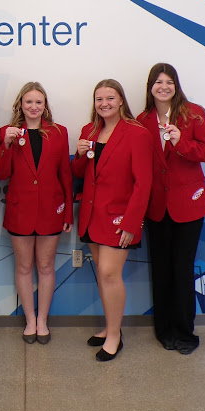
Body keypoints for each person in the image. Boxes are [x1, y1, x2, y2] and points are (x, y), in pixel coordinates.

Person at [136, 63, 205, 355]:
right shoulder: (142, 120)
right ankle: (163, 330)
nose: (164, 86)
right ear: (150, 87)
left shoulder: (193, 113)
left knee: (182, 269)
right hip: (155, 206)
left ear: (176, 85)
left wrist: (182, 142)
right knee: (161, 270)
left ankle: (184, 332)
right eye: (158, 81)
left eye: (169, 81)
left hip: (188, 205)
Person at [72, 79, 151, 361]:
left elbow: (144, 183)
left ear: (121, 101)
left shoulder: (137, 133)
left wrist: (132, 223)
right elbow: (81, 171)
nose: (104, 104)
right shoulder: (89, 130)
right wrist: (79, 154)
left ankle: (116, 336)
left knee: (109, 273)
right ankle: (109, 327)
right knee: (102, 276)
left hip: (119, 218)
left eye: (110, 98)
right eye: (99, 99)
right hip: (92, 216)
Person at [0, 82, 73, 345]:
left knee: (46, 266)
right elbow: (2, 173)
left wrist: (68, 214)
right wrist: (5, 144)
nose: (34, 107)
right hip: (20, 210)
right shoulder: (9, 132)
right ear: (21, 105)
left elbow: (65, 174)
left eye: (39, 102)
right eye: (29, 102)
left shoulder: (59, 133)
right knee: (25, 266)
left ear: (45, 105)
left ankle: (43, 320)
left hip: (52, 210)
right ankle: (29, 320)